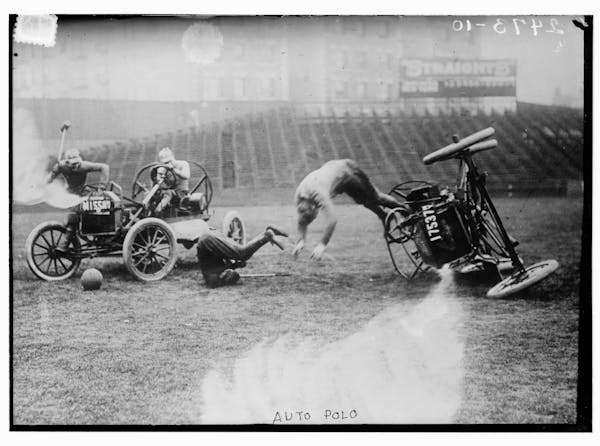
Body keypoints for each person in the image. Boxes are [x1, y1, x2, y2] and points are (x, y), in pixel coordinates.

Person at [292, 159, 403, 261]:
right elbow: (302, 221)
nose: (301, 212)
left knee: (375, 198)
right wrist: (301, 240)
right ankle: (383, 216)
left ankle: (404, 209)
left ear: (313, 207)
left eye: (306, 213)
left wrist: (322, 244)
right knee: (362, 201)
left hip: (348, 171)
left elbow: (332, 220)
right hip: (336, 175)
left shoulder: (317, 194)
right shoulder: (300, 199)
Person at [46, 148, 110, 252]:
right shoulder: (61, 166)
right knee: (73, 217)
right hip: (70, 194)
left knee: (85, 211)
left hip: (83, 192)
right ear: (67, 162)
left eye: (77, 163)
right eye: (72, 164)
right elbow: (50, 177)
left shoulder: (84, 165)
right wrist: (47, 181)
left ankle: (67, 243)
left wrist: (102, 187)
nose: (76, 166)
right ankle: (67, 239)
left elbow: (104, 167)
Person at [196, 225, 288, 287]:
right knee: (242, 250)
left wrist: (232, 269)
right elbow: (221, 264)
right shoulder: (215, 273)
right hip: (209, 237)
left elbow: (220, 273)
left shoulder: (213, 281)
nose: (229, 273)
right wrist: (236, 265)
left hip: (207, 241)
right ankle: (267, 232)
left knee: (242, 254)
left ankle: (266, 236)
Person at [152, 147, 190, 215]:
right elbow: (159, 182)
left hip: (181, 193)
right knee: (153, 193)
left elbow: (186, 176)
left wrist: (174, 170)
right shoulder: (163, 168)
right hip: (169, 192)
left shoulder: (183, 164)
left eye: (169, 161)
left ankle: (156, 212)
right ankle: (147, 211)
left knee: (168, 193)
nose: (168, 163)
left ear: (173, 156)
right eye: (165, 162)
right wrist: (158, 173)